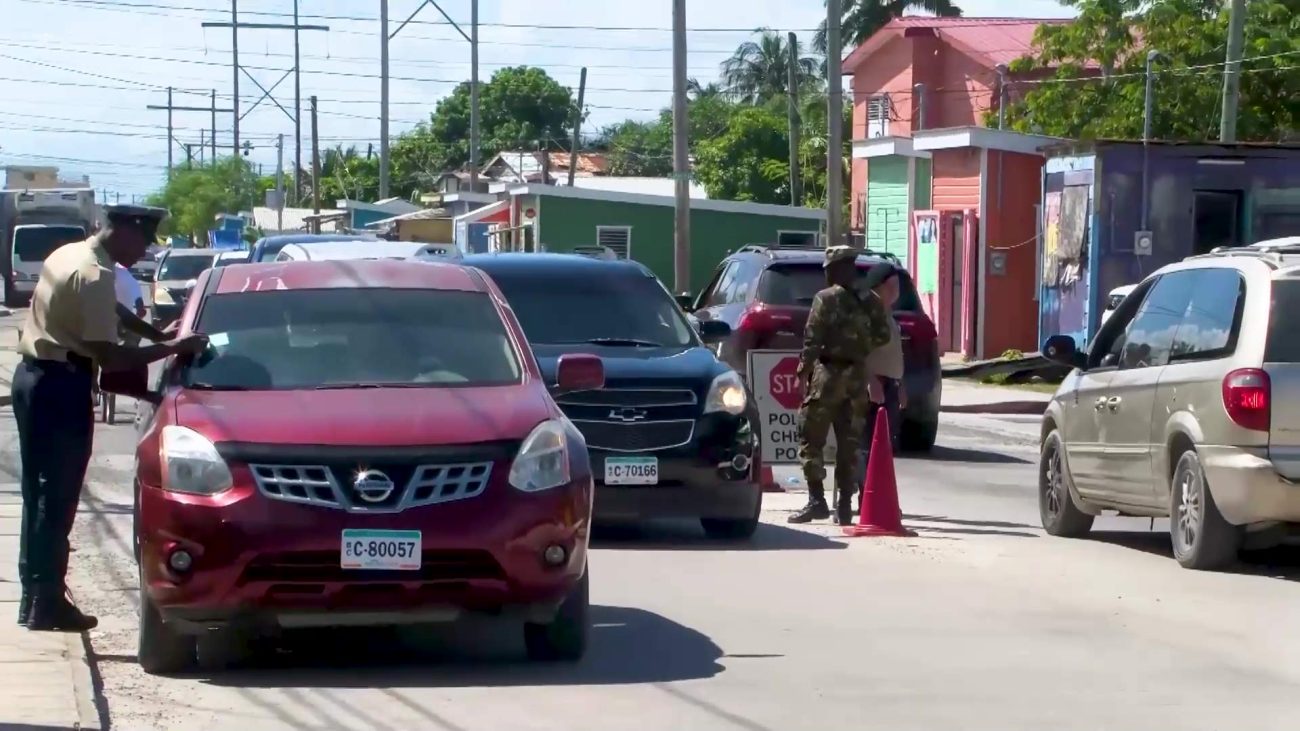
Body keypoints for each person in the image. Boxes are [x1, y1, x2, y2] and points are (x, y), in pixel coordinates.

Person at [13, 205, 207, 631]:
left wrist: (158, 334)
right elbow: (111, 356)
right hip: (60, 385)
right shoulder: (97, 274)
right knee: (57, 496)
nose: (145, 251)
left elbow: (113, 314)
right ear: (121, 232)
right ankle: (46, 602)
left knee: (37, 491)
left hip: (31, 378)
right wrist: (176, 349)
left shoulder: (69, 255)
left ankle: (34, 596)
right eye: (142, 242)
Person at [789, 246, 894, 526]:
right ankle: (845, 506)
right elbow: (883, 335)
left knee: (811, 439)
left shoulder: (825, 299)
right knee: (849, 444)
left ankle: (817, 501)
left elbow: (812, 341)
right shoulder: (869, 299)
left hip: (828, 375)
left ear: (834, 269)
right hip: (856, 377)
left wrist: (802, 374)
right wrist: (859, 347)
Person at [855, 262, 906, 501]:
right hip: (874, 386)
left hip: (891, 385)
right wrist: (870, 380)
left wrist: (900, 383)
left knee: (886, 445)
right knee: (868, 445)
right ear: (878, 287)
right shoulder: (866, 314)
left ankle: (879, 495)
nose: (897, 291)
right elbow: (856, 352)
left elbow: (895, 352)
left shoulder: (887, 314)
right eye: (892, 286)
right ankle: (868, 495)